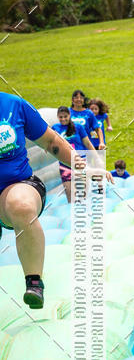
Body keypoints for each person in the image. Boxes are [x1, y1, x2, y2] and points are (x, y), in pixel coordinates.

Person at [0, 92, 111, 308]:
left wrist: (85, 168)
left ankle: (34, 282)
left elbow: (51, 141)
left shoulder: (13, 105)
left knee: (21, 205)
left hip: (17, 185)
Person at [52, 106, 95, 202]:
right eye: (60, 117)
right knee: (70, 196)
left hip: (80, 161)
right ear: (57, 117)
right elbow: (50, 142)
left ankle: (84, 213)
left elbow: (87, 143)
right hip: (64, 164)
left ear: (69, 115)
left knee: (82, 195)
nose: (63, 119)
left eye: (65, 116)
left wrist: (96, 156)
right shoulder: (55, 128)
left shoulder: (78, 127)